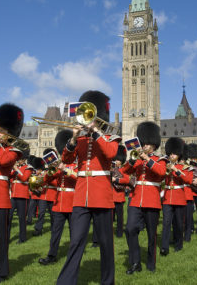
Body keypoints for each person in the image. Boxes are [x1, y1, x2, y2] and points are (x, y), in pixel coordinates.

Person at [56, 90, 121, 285]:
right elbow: (66, 159)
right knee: (76, 241)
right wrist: (74, 138)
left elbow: (110, 154)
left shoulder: (111, 137)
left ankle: (107, 281)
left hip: (101, 195)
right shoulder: (81, 139)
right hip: (81, 196)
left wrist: (97, 132)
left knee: (105, 243)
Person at [0, 103, 24, 284]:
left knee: (1, 239)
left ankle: (2, 272)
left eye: (1, 131)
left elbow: (3, 162)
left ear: (9, 134)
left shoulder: (13, 151)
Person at [121, 121, 166, 274]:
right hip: (136, 198)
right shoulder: (137, 159)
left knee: (151, 234)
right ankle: (135, 263)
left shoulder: (160, 160)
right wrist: (133, 160)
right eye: (144, 142)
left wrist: (147, 158)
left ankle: (151, 263)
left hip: (152, 200)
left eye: (148, 143)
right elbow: (124, 171)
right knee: (130, 229)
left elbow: (161, 173)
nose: (145, 145)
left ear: (154, 145)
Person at [39, 129, 77, 265]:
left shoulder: (77, 164)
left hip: (72, 201)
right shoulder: (60, 164)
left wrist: (64, 168)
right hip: (59, 202)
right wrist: (52, 168)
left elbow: (77, 178)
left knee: (74, 233)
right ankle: (51, 255)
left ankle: (73, 257)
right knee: (55, 232)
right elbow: (46, 180)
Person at [160, 137, 192, 256]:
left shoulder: (184, 168)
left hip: (179, 198)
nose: (172, 155)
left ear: (179, 154)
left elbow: (188, 179)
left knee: (179, 223)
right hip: (168, 197)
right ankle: (164, 247)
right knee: (166, 223)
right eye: (170, 153)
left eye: (174, 153)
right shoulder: (166, 165)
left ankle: (179, 244)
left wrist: (175, 170)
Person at [8, 149, 32, 244]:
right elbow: (9, 177)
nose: (18, 161)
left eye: (20, 159)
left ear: (24, 159)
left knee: (22, 218)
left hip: (22, 195)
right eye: (18, 159)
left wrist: (16, 169)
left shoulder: (28, 168)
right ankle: (6, 237)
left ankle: (22, 238)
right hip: (13, 195)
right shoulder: (15, 168)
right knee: (8, 217)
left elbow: (24, 178)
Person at [111, 144, 130, 238]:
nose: (116, 161)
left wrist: (117, 180)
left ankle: (119, 232)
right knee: (110, 217)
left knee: (120, 217)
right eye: (115, 159)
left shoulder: (123, 169)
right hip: (110, 196)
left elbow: (127, 180)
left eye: (118, 160)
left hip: (119, 196)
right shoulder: (111, 168)